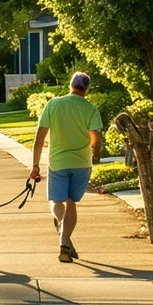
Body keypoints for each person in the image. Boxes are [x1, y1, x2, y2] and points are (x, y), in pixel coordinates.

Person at [30, 72, 103, 263]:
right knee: (71, 201)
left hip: (58, 163)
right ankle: (65, 241)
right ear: (87, 89)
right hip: (81, 163)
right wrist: (95, 154)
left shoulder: (54, 104)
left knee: (56, 201)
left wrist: (35, 165)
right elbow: (96, 139)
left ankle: (64, 237)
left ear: (70, 85)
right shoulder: (91, 109)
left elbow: (39, 138)